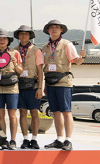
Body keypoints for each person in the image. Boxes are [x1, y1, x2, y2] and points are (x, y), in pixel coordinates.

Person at [41, 19, 85, 151]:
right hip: (49, 82)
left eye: (57, 27)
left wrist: (83, 56)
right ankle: (59, 139)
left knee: (66, 111)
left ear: (61, 30)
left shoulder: (67, 44)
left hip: (63, 81)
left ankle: (68, 140)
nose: (54, 29)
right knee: (55, 112)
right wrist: (44, 85)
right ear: (48, 30)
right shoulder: (45, 47)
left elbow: (77, 61)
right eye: (51, 27)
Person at [0, 31, 23, 149]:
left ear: (8, 41)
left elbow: (21, 72)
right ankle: (3, 139)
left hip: (12, 88)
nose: (2, 41)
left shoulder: (15, 53)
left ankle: (13, 140)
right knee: (0, 115)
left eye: (4, 39)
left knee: (12, 115)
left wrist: (15, 64)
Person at [14, 25, 44, 149]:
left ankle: (35, 139)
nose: (24, 36)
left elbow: (40, 70)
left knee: (34, 112)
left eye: (26, 34)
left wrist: (40, 88)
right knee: (22, 113)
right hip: (19, 85)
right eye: (21, 34)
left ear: (30, 36)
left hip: (33, 85)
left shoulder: (36, 50)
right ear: (18, 36)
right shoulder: (14, 50)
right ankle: (25, 138)